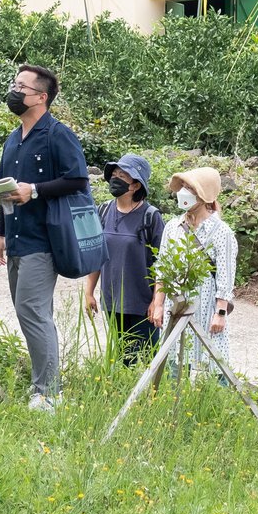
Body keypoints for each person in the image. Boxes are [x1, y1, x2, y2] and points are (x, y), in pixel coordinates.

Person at [0, 63, 90, 412]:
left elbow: (78, 180)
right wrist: (0, 233)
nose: (15, 92)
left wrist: (35, 191)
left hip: (44, 239)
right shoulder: (13, 139)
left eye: (22, 87)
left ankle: (48, 393)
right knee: (29, 311)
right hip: (16, 236)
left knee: (32, 310)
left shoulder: (58, 134)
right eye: (14, 85)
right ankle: (42, 386)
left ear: (41, 97)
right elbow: (4, 188)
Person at [148, 166, 238, 378]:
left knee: (212, 359)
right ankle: (171, 406)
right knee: (173, 359)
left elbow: (226, 276)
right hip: (176, 304)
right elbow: (163, 268)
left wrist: (220, 313)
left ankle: (214, 403)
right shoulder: (173, 227)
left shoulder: (221, 232)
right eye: (184, 187)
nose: (184, 192)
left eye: (190, 187)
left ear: (203, 194)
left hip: (205, 307)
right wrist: (159, 304)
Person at [83, 153, 164, 365]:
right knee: (121, 360)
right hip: (112, 302)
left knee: (148, 361)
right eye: (115, 174)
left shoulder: (151, 216)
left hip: (141, 304)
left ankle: (150, 398)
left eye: (123, 175)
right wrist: (89, 292)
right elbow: (97, 254)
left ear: (136, 185)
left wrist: (157, 301)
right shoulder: (102, 211)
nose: (116, 179)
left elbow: (161, 263)